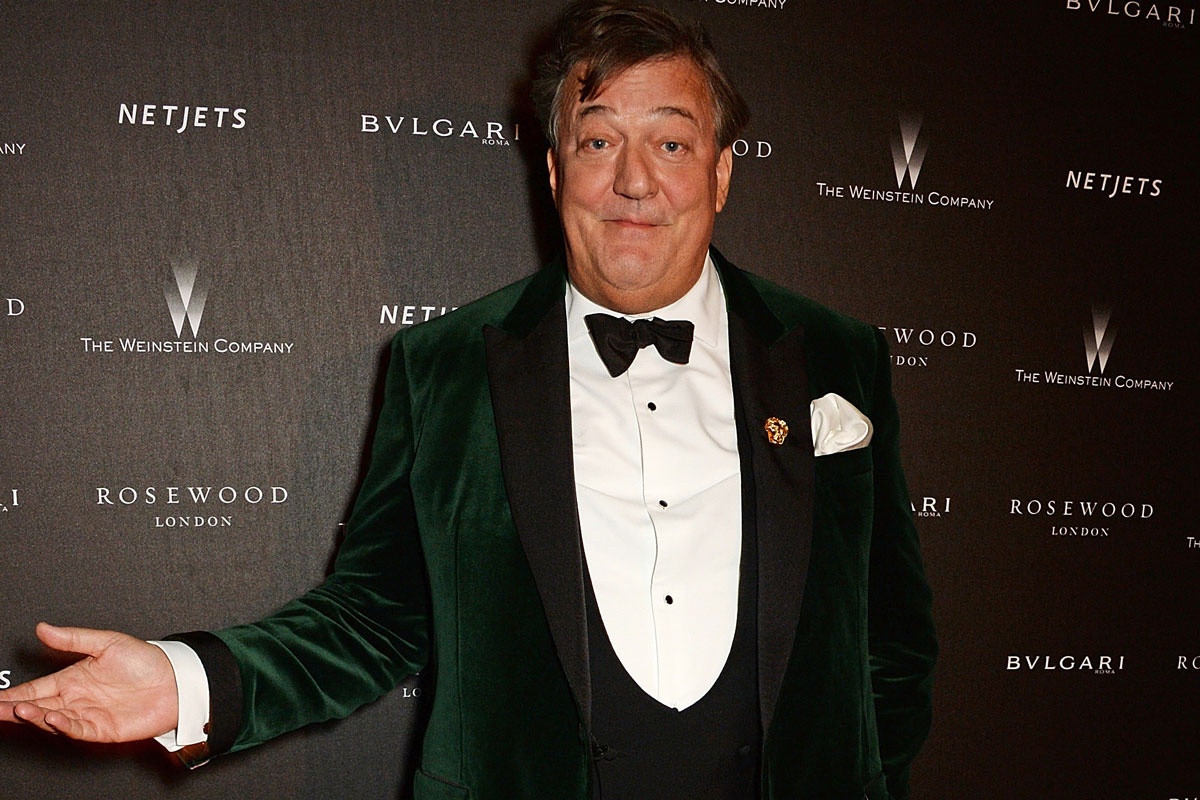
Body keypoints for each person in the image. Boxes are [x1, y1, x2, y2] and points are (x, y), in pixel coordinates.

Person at [0, 2, 936, 798]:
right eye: (599, 140)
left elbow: (891, 640)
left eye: (671, 143)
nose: (634, 180)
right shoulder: (442, 366)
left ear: (722, 171)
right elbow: (374, 615)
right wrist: (188, 682)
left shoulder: (836, 356)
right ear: (556, 171)